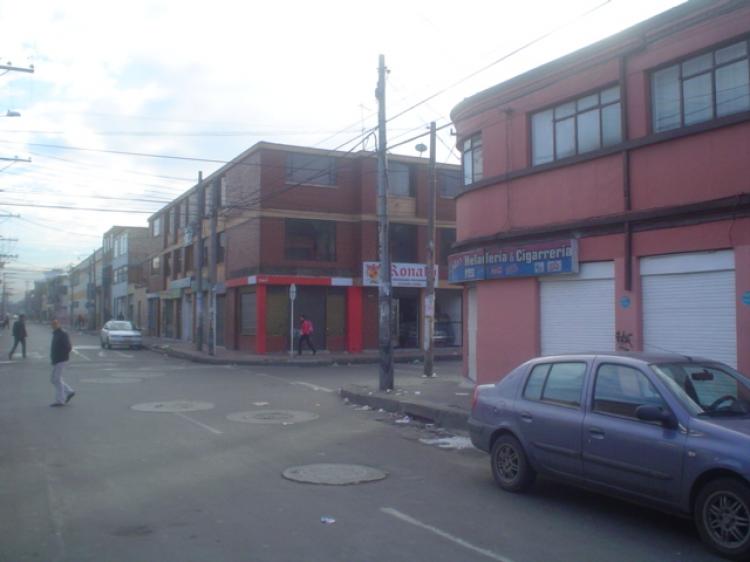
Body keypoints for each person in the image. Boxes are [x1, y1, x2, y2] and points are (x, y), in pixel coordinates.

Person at [50, 319, 75, 407]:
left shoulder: (62, 334)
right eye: (53, 324)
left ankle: (60, 400)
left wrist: (62, 355)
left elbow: (68, 347)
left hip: (61, 359)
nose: (53, 326)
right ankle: (69, 391)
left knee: (57, 379)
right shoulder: (56, 333)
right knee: (54, 379)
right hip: (56, 360)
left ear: (58, 325)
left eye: (55, 324)